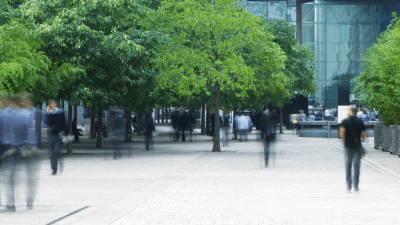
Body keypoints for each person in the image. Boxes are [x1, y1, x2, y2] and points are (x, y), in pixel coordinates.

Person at [0, 93, 41, 212]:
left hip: (9, 149)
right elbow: (30, 133)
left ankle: (11, 203)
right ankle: (28, 201)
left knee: (10, 177)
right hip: (24, 147)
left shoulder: (4, 114)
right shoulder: (25, 115)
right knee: (28, 177)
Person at [339, 105, 366, 192]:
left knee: (348, 165)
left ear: (351, 111)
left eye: (348, 110)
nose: (347, 111)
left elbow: (341, 132)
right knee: (356, 166)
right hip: (357, 146)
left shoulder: (345, 121)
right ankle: (356, 186)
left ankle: (348, 185)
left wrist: (344, 141)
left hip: (348, 146)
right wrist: (362, 139)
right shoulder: (360, 121)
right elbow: (363, 134)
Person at [44, 99, 68, 175]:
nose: (52, 106)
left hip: (58, 135)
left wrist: (64, 133)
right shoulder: (48, 113)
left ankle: (55, 168)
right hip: (51, 135)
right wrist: (48, 114)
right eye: (51, 105)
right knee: (52, 153)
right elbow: (48, 124)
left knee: (56, 152)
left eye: (53, 104)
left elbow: (64, 123)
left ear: (55, 104)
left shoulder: (60, 112)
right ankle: (54, 168)